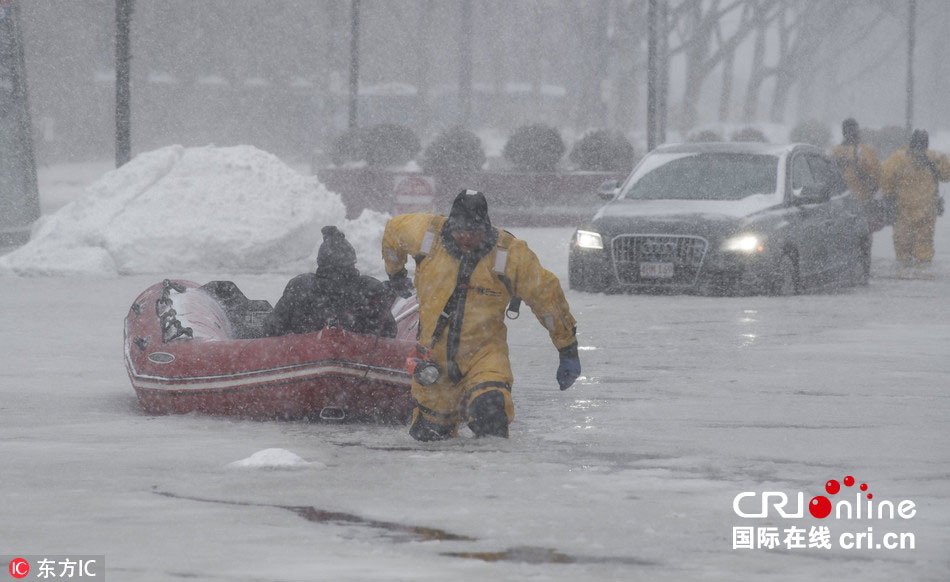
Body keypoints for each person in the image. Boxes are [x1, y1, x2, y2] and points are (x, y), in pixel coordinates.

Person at [381, 189, 580, 441]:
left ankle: (493, 475)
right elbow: (392, 233)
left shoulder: (510, 255)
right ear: (449, 223)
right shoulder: (425, 234)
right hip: (435, 357)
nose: (465, 238)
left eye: (473, 232)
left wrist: (567, 348)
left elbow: (547, 300)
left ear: (486, 228)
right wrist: (395, 272)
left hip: (485, 354)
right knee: (430, 436)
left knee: (492, 411)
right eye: (460, 230)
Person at [263, 225, 397, 338]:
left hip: (303, 359)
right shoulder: (369, 289)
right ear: (352, 262)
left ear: (320, 262)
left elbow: (271, 329)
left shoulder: (300, 287)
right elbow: (390, 332)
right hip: (358, 360)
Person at [881, 129, 950, 266]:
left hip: (903, 211)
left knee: (902, 248)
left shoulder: (898, 158)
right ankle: (923, 274)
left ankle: (903, 277)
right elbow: (946, 176)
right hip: (927, 212)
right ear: (927, 144)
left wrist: (888, 197)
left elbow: (886, 177)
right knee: (924, 247)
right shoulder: (935, 158)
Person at [831, 118, 883, 228]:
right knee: (862, 236)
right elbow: (877, 176)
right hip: (862, 201)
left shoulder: (835, 152)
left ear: (843, 132)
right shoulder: (866, 151)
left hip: (839, 203)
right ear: (857, 131)